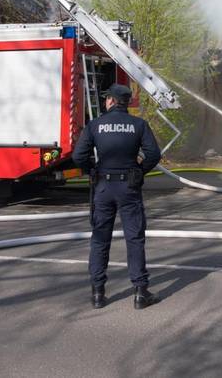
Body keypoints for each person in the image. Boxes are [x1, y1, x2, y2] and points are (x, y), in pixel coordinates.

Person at [72, 83, 162, 310]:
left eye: (106, 99)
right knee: (134, 238)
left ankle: (98, 293)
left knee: (100, 238)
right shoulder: (139, 125)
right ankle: (141, 293)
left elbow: (79, 155)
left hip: (103, 187)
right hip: (129, 188)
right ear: (127, 102)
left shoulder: (95, 125)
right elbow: (154, 154)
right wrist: (139, 171)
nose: (105, 102)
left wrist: (91, 171)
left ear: (111, 101)